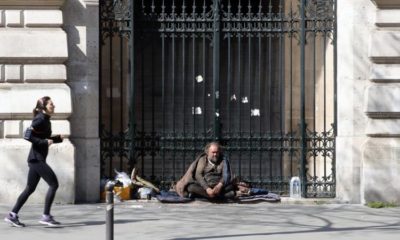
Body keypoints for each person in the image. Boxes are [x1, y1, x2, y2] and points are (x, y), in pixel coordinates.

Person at [4, 96, 63, 227]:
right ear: (44, 107)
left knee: (30, 188)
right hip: (37, 159)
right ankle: (46, 217)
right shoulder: (40, 119)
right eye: (51, 104)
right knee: (54, 184)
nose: (54, 106)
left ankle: (12, 215)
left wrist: (57, 139)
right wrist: (43, 142)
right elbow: (27, 135)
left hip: (35, 159)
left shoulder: (46, 119)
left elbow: (43, 137)